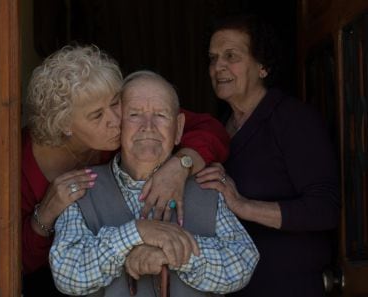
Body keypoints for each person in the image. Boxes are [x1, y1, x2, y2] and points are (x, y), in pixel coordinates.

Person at [22, 45, 230, 296]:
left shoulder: (123, 133)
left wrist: (181, 164)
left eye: (115, 104)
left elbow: (211, 129)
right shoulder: (16, 167)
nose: (115, 120)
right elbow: (14, 264)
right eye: (97, 115)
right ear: (65, 124)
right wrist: (43, 217)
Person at [50, 70, 259, 296]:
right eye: (134, 114)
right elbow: (67, 274)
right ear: (118, 125)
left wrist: (172, 253)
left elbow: (243, 260)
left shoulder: (208, 185)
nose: (147, 126)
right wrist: (136, 233)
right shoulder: (83, 186)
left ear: (178, 128)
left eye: (160, 115)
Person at [195, 14, 340, 297]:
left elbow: (326, 209)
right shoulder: (218, 128)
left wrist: (243, 205)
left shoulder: (292, 119)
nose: (218, 66)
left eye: (231, 56)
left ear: (262, 66)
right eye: (213, 58)